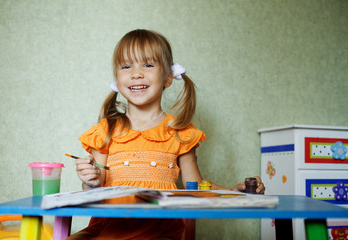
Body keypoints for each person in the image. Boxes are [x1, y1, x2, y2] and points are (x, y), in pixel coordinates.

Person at [68, 29, 265, 240]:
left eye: (148, 65)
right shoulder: (106, 130)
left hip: (158, 229)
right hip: (110, 225)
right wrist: (90, 180)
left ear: (168, 78)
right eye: (126, 66)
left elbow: (196, 186)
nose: (136, 73)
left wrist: (234, 191)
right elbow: (95, 184)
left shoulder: (179, 132)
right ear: (117, 79)